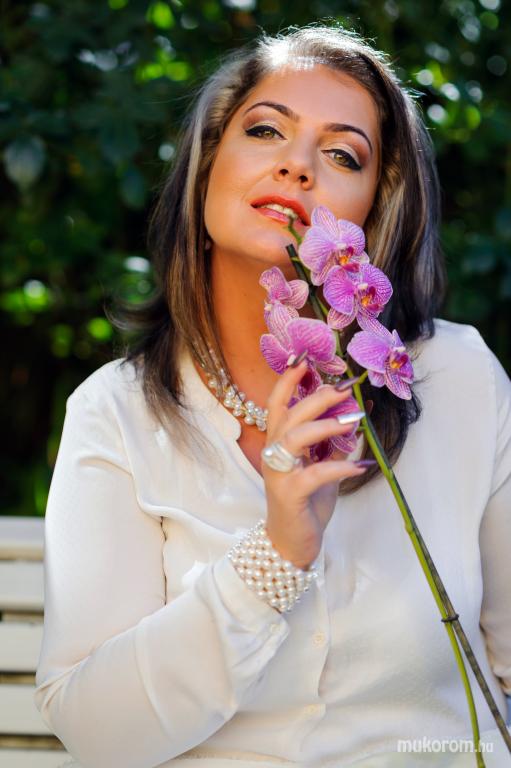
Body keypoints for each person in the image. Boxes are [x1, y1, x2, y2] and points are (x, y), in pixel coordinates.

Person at [35, 23, 510, 768]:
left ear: (373, 210)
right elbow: (96, 734)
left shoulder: (457, 378)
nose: (296, 165)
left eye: (342, 154)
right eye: (265, 131)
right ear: (206, 168)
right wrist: (276, 556)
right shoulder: (117, 414)